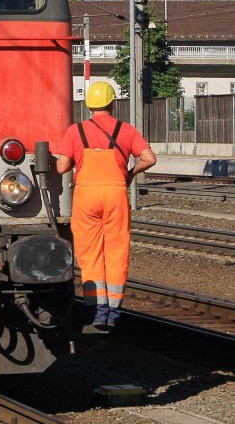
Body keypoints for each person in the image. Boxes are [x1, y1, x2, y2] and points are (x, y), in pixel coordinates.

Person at [54, 81, 157, 329]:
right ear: (112, 103)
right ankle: (113, 310)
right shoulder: (126, 130)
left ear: (88, 105)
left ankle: (97, 310)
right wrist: (130, 173)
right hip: (116, 195)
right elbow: (149, 158)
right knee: (117, 251)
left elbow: (61, 167)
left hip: (86, 197)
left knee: (90, 252)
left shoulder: (76, 131)